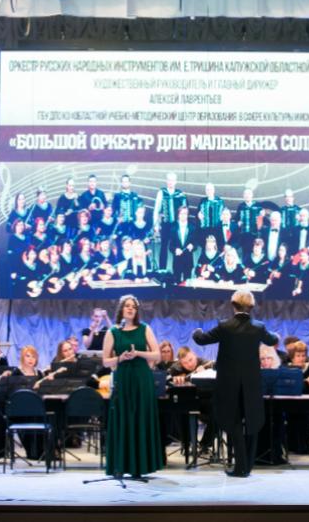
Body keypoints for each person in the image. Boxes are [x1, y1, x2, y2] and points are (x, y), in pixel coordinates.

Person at [193, 289, 280, 477]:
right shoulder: (259, 327)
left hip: (228, 384)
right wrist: (274, 334)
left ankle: (240, 466)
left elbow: (201, 340)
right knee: (252, 422)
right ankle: (247, 466)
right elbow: (273, 339)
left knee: (233, 423)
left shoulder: (225, 326)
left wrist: (197, 331)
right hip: (251, 384)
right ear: (251, 306)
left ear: (233, 305)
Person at [103, 295, 164, 478]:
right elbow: (105, 361)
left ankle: (140, 466)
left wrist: (138, 353)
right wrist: (120, 358)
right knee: (123, 418)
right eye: (127, 306)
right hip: (123, 378)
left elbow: (157, 356)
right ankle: (121, 465)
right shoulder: (113, 332)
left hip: (142, 378)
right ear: (121, 309)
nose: (130, 309)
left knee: (140, 418)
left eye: (133, 307)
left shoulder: (145, 328)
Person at [153, 172, 187, 272]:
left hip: (176, 225)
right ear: (166, 181)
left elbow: (185, 209)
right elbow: (156, 209)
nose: (170, 182)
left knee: (177, 247)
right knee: (163, 247)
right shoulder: (161, 192)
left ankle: (177, 271)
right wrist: (156, 224)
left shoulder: (180, 194)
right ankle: (162, 270)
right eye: (169, 180)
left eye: (172, 180)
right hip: (165, 224)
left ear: (175, 181)